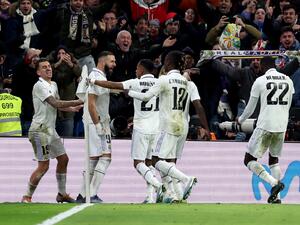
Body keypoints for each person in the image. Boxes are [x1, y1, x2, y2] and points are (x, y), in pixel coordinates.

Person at [128, 50, 201, 201]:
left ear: (168, 63)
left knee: (155, 161)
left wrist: (131, 93)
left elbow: (146, 96)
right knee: (169, 162)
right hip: (182, 124)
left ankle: (185, 179)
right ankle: (176, 195)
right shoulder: (187, 82)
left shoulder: (163, 80)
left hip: (166, 124)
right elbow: (198, 104)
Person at [88, 59, 164, 203]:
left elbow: (113, 85)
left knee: (138, 163)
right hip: (156, 128)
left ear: (141, 69)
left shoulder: (135, 82)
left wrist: (94, 81)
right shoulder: (160, 83)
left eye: (136, 68)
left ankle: (157, 185)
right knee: (149, 163)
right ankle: (150, 197)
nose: (136, 71)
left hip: (141, 128)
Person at [21, 58, 83, 203]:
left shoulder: (53, 84)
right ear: (38, 72)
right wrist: (79, 100)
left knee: (63, 159)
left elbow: (57, 105)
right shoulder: (39, 86)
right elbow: (55, 102)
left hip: (50, 130)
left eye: (49, 66)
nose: (48, 69)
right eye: (44, 67)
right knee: (44, 166)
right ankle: (27, 196)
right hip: (39, 130)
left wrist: (71, 108)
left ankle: (61, 194)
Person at [237, 57, 295, 204]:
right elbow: (288, 104)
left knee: (249, 160)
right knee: (274, 160)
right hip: (281, 125)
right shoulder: (288, 80)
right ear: (275, 66)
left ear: (263, 67)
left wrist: (241, 120)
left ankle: (273, 183)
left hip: (265, 125)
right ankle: (277, 198)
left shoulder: (260, 80)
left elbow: (250, 108)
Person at [76, 51, 116, 203]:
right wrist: (98, 125)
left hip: (97, 121)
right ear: (102, 61)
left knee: (96, 159)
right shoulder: (97, 77)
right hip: (96, 122)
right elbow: (91, 103)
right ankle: (91, 194)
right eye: (112, 61)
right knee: (103, 158)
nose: (114, 64)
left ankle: (82, 194)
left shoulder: (100, 77)